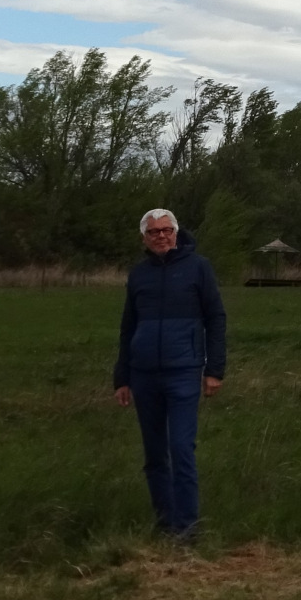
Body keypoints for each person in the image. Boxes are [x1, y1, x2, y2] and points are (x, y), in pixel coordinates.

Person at [113, 208, 227, 540]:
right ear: (144, 238)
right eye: (153, 232)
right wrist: (122, 377)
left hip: (184, 371)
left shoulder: (198, 268)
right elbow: (127, 326)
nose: (161, 236)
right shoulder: (139, 275)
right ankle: (164, 523)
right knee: (154, 454)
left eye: (166, 230)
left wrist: (214, 369)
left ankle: (187, 528)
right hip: (144, 374)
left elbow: (216, 319)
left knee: (180, 448)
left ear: (176, 233)